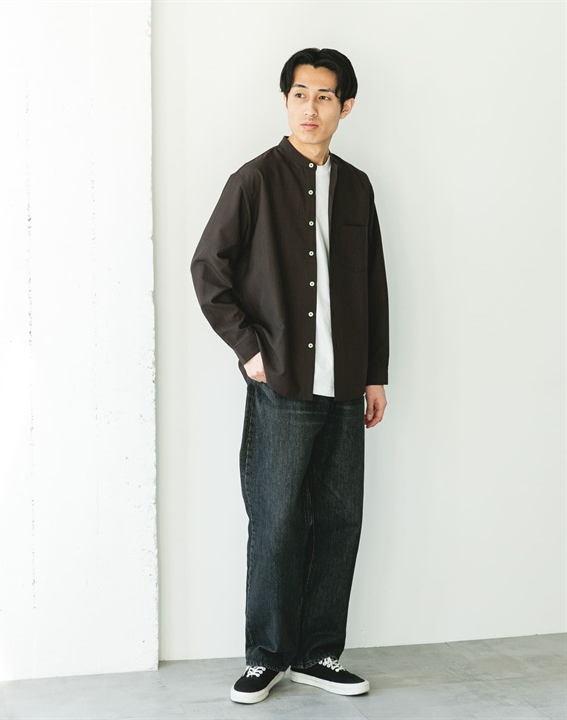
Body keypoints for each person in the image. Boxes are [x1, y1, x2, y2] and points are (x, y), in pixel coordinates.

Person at [190, 47, 389, 705]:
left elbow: (373, 283)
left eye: (324, 96)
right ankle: (266, 656)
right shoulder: (254, 180)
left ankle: (318, 654)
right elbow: (209, 270)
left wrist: (375, 373)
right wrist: (251, 351)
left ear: (345, 107)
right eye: (300, 94)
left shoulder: (357, 186)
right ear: (286, 101)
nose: (310, 108)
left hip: (346, 385)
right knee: (276, 522)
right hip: (282, 382)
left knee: (339, 520)